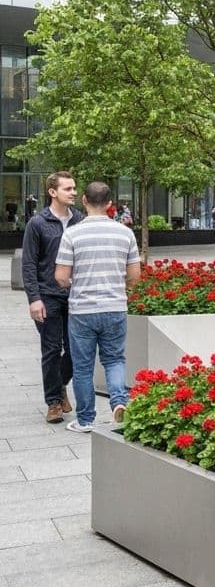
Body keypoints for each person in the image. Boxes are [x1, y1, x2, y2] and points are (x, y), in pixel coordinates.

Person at [55, 181, 141, 433]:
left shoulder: (72, 234)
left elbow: (61, 276)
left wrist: (77, 284)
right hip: (115, 306)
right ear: (110, 204)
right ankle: (118, 403)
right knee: (114, 359)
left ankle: (86, 420)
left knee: (82, 367)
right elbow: (134, 275)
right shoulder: (125, 233)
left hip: (82, 310)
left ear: (84, 200)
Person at [22, 171, 83, 424]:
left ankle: (59, 385)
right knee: (51, 350)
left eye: (74, 188)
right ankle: (54, 403)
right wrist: (34, 299)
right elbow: (29, 264)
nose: (74, 192)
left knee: (76, 350)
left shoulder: (80, 220)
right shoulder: (37, 223)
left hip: (75, 295)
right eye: (68, 189)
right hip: (47, 296)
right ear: (53, 192)